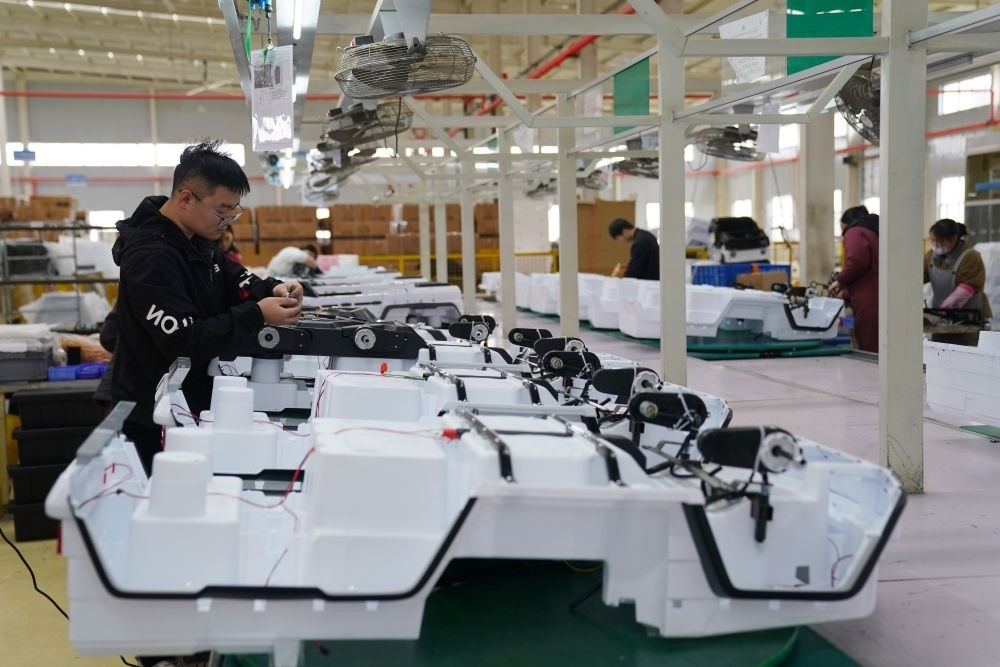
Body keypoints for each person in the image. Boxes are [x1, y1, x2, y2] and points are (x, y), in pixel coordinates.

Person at [110, 139, 305, 479]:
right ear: (186, 198)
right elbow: (186, 340)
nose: (227, 221)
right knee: (169, 494)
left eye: (233, 212)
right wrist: (257, 314)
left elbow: (234, 278)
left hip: (190, 401)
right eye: (222, 211)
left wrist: (272, 288)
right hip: (153, 413)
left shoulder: (195, 239)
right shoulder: (150, 258)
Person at [923, 217, 992, 345]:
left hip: (968, 322)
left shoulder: (970, 257)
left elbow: (963, 292)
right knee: (940, 352)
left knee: (964, 354)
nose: (936, 244)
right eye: (933, 240)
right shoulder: (931, 257)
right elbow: (916, 277)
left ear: (954, 238)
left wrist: (938, 314)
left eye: (940, 241)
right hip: (942, 322)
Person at [828, 205, 879, 353]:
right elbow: (870, 274)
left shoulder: (855, 232)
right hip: (881, 298)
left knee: (869, 346)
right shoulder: (875, 231)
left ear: (846, 223)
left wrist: (839, 280)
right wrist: (846, 294)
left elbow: (857, 261)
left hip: (869, 302)